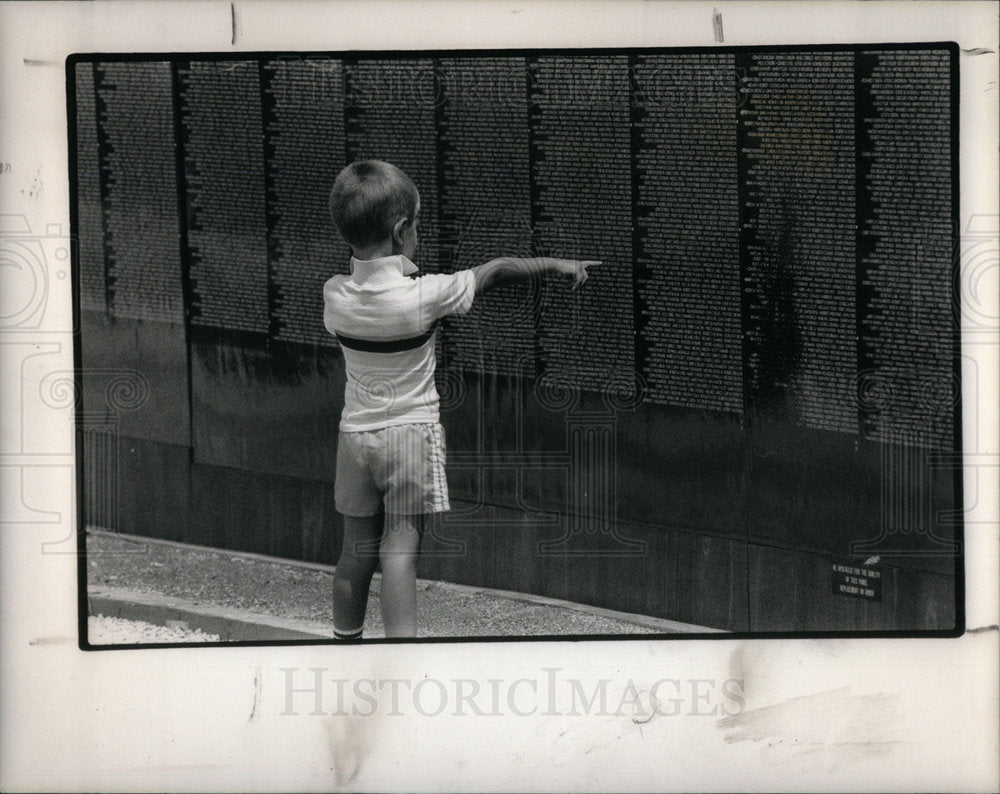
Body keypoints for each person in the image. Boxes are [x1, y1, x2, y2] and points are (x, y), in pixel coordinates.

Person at [324, 159, 597, 638]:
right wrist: (555, 264)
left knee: (354, 551)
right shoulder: (426, 296)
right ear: (401, 230)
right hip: (409, 434)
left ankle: (344, 644)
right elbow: (490, 273)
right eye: (417, 227)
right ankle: (401, 660)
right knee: (400, 550)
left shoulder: (335, 296)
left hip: (355, 437)